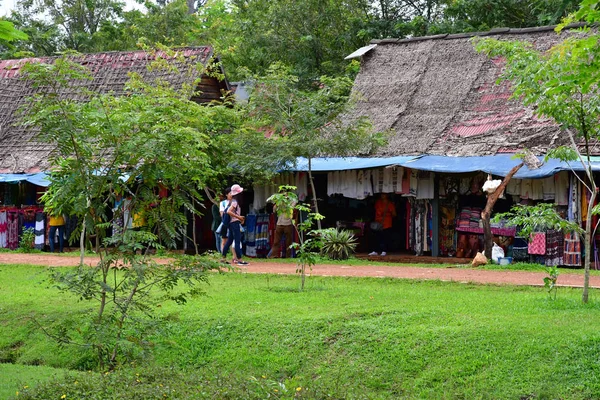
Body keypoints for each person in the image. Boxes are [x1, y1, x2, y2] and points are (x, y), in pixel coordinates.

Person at [222, 184, 248, 265]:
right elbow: (229, 211)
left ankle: (223, 258)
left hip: (231, 223)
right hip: (234, 223)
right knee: (237, 241)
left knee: (229, 241)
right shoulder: (235, 202)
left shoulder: (231, 201)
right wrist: (239, 218)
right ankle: (239, 260)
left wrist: (239, 217)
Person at [269, 192, 297, 258]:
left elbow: (292, 207)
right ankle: (273, 255)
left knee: (288, 242)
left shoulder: (292, 201)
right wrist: (278, 202)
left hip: (288, 223)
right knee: (276, 241)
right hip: (279, 223)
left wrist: (285, 202)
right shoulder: (279, 202)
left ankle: (288, 256)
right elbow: (274, 210)